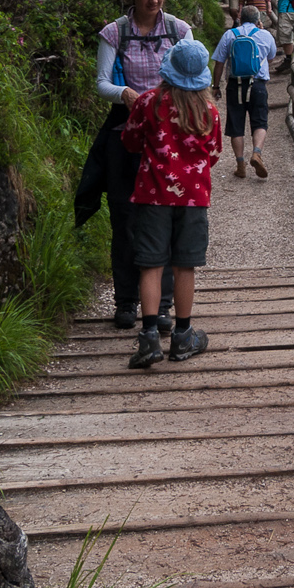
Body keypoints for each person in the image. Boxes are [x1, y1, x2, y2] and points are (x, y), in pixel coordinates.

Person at [73, 0, 191, 329]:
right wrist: (126, 93)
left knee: (165, 218)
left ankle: (163, 307)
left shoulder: (179, 30)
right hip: (125, 133)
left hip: (166, 136)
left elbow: (191, 75)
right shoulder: (114, 33)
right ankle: (125, 304)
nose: (153, 0)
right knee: (124, 218)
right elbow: (101, 83)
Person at [118, 39, 221, 368]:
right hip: (193, 198)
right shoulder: (210, 112)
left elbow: (130, 140)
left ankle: (149, 339)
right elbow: (215, 154)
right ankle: (183, 335)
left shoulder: (148, 103)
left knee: (151, 264)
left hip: (153, 196)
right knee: (184, 265)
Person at [212, 7, 278, 180]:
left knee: (236, 124)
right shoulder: (265, 36)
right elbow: (270, 58)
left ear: (240, 19)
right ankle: (257, 153)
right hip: (257, 85)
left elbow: (219, 62)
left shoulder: (230, 35)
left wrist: (216, 86)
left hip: (235, 84)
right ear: (258, 19)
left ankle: (240, 164)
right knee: (260, 122)